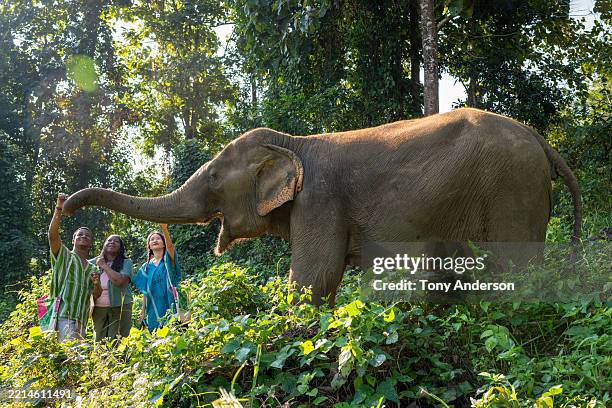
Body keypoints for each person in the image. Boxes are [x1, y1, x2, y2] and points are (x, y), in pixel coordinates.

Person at [48, 193, 99, 341]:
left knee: (75, 361)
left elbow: (96, 295)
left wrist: (96, 284)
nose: (83, 237)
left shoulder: (92, 268)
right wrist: (59, 208)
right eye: (80, 235)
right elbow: (52, 236)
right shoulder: (65, 256)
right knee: (67, 359)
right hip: (63, 317)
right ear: (73, 240)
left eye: (87, 236)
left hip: (81, 321)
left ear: (90, 243)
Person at [132, 224, 181, 332]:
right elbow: (145, 292)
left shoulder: (168, 261)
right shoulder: (145, 268)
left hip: (171, 303)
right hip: (153, 307)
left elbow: (171, 248)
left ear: (164, 243)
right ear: (148, 246)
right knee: (156, 337)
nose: (155, 240)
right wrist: (142, 311)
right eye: (152, 239)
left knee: (174, 332)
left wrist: (164, 229)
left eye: (158, 238)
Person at [90, 235, 134, 341]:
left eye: (116, 241)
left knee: (119, 340)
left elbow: (120, 282)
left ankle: (120, 358)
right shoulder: (92, 263)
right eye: (109, 240)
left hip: (121, 306)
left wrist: (104, 266)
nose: (112, 242)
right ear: (104, 245)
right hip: (98, 308)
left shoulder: (126, 262)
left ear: (120, 247)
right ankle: (100, 358)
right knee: (99, 340)